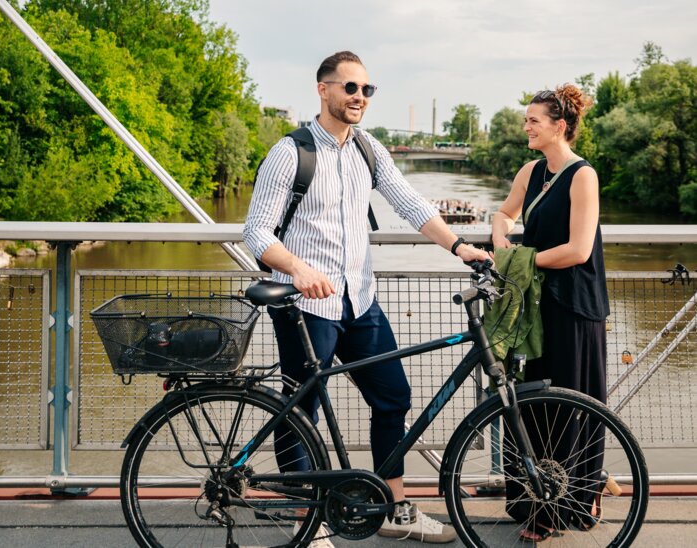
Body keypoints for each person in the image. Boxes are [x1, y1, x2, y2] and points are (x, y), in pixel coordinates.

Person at [243, 50, 489, 546]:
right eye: (349, 88)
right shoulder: (290, 152)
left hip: (361, 303)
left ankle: (394, 509)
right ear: (323, 90)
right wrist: (298, 268)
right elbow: (256, 232)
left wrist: (461, 247)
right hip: (304, 305)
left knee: (393, 397)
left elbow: (410, 203)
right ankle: (305, 524)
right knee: (301, 412)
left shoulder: (368, 150)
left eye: (366, 90)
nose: (359, 97)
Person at [490, 85, 612, 541]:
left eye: (533, 120)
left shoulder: (584, 176)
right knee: (532, 405)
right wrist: (502, 239)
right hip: (536, 306)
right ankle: (534, 499)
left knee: (573, 406)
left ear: (559, 126)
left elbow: (579, 250)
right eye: (527, 119)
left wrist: (521, 260)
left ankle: (572, 502)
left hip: (575, 308)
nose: (526, 126)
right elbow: (503, 213)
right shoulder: (530, 170)